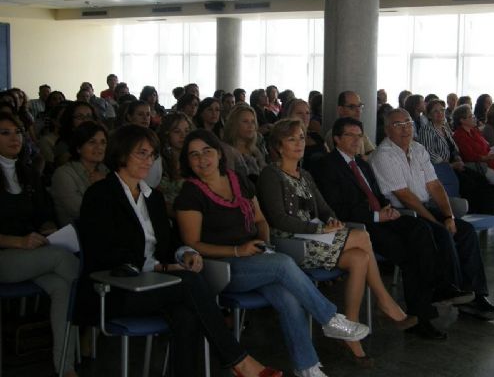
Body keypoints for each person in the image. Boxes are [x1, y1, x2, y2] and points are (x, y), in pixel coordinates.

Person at [78, 124, 282, 377]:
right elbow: (103, 252)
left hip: (154, 286)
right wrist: (159, 267)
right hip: (115, 289)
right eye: (141, 153)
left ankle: (233, 362)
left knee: (186, 315)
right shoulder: (99, 195)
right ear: (121, 153)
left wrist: (185, 254)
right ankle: (239, 361)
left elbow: (169, 243)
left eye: (152, 155)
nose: (148, 160)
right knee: (188, 282)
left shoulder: (151, 197)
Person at [175, 129, 369, 377]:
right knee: (283, 264)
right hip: (219, 266)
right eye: (194, 155)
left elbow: (261, 220)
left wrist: (263, 245)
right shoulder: (190, 194)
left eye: (207, 151)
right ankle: (330, 320)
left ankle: (307, 368)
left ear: (219, 153)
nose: (202, 159)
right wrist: (238, 250)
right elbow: (193, 243)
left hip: (254, 260)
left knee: (288, 296)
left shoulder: (238, 180)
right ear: (187, 161)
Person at [257, 119, 410, 361]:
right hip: (290, 242)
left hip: (315, 236)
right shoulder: (270, 174)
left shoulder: (304, 174)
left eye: (301, 138)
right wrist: (319, 230)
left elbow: (325, 209)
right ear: (278, 146)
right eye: (291, 139)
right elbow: (279, 220)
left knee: (359, 258)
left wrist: (332, 222)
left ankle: (350, 331)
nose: (298, 144)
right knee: (362, 236)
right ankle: (384, 300)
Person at [313, 117, 475, 340]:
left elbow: (376, 195)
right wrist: (378, 215)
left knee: (421, 229)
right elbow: (337, 209)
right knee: (412, 253)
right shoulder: (327, 166)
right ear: (337, 139)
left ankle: (435, 293)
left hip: (382, 218)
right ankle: (425, 311)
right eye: (350, 135)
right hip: (362, 227)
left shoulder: (360, 163)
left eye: (359, 136)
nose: (356, 140)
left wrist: (387, 209)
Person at [370, 108, 494, 321]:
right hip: (402, 212)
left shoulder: (418, 149)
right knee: (439, 232)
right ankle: (449, 287)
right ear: (387, 130)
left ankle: (475, 297)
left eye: (408, 123)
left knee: (465, 230)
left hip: (424, 206)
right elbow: (405, 196)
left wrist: (448, 216)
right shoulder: (383, 155)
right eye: (397, 124)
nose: (405, 128)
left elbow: (434, 185)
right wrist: (436, 220)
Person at [0, 111, 79, 377]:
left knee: (62, 286)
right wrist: (19, 242)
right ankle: (99, 300)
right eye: (5, 133)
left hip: (30, 254)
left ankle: (65, 367)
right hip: (5, 254)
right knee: (64, 262)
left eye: (18, 132)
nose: (15, 138)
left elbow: (42, 215)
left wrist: (48, 230)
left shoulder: (28, 173)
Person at [51, 121, 108, 226]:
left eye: (103, 142)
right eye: (92, 142)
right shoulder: (63, 174)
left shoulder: (105, 170)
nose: (99, 147)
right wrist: (102, 187)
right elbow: (85, 213)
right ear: (78, 148)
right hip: (78, 235)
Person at [452, 105, 494, 193]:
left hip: (488, 160)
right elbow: (470, 157)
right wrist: (489, 157)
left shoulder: (474, 131)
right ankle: (493, 204)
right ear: (462, 120)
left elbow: (486, 147)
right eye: (470, 116)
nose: (474, 118)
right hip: (477, 165)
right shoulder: (459, 135)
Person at [157, 112, 194, 216]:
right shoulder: (158, 161)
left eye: (187, 131)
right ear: (167, 133)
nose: (183, 135)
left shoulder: (195, 159)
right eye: (177, 131)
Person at [223, 104, 267, 182]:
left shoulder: (255, 150)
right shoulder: (227, 152)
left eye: (253, 122)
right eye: (245, 121)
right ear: (234, 124)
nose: (250, 126)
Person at [324, 91, 375, 158]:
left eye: (359, 106)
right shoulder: (333, 134)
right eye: (352, 107)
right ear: (341, 110)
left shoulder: (359, 132)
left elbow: (373, 154)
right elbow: (349, 160)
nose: (358, 110)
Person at [283, 99, 327, 171]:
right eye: (299, 113)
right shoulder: (284, 139)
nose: (305, 117)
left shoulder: (316, 136)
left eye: (307, 113)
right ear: (289, 115)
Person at [54, 101, 98, 167]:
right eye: (80, 117)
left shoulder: (99, 139)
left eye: (89, 117)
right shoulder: (63, 145)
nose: (85, 120)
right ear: (70, 120)